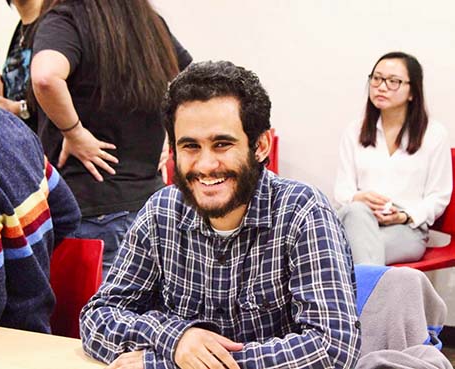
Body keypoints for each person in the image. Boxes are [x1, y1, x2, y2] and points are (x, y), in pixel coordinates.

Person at [80, 61, 361, 369]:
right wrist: (175, 339)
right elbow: (98, 316)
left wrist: (175, 365)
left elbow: (332, 349)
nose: (205, 165)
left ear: (261, 145)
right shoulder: (160, 213)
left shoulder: (302, 212)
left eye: (222, 144)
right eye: (190, 146)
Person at [31, 0, 192, 275]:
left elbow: (46, 77)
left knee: (101, 315)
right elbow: (190, 80)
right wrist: (170, 130)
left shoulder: (67, 20)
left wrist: (74, 132)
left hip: (93, 207)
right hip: (150, 203)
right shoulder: (149, 23)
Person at [0, 32, 80, 334]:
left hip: (6, 346)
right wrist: (28, 268)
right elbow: (67, 214)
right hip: (34, 331)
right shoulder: (13, 127)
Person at [334, 51, 452, 265]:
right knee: (357, 214)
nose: (381, 86)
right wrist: (357, 198)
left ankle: (359, 293)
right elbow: (342, 190)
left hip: (406, 229)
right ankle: (373, 297)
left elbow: (438, 196)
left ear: (412, 92)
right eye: (377, 78)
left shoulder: (434, 134)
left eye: (393, 81)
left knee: (346, 252)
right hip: (359, 219)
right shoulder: (354, 131)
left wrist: (404, 216)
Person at [0, 0, 42, 132]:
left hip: (54, 144)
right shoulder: (20, 31)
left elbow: (74, 96)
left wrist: (18, 109)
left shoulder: (58, 27)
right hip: (23, 142)